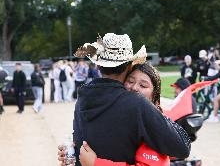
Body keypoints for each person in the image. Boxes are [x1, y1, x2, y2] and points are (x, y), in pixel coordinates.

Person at [70, 33, 190, 166]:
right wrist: (157, 112)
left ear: (98, 66)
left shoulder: (82, 100)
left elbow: (80, 150)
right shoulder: (136, 103)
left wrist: (71, 154)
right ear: (128, 66)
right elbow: (183, 147)